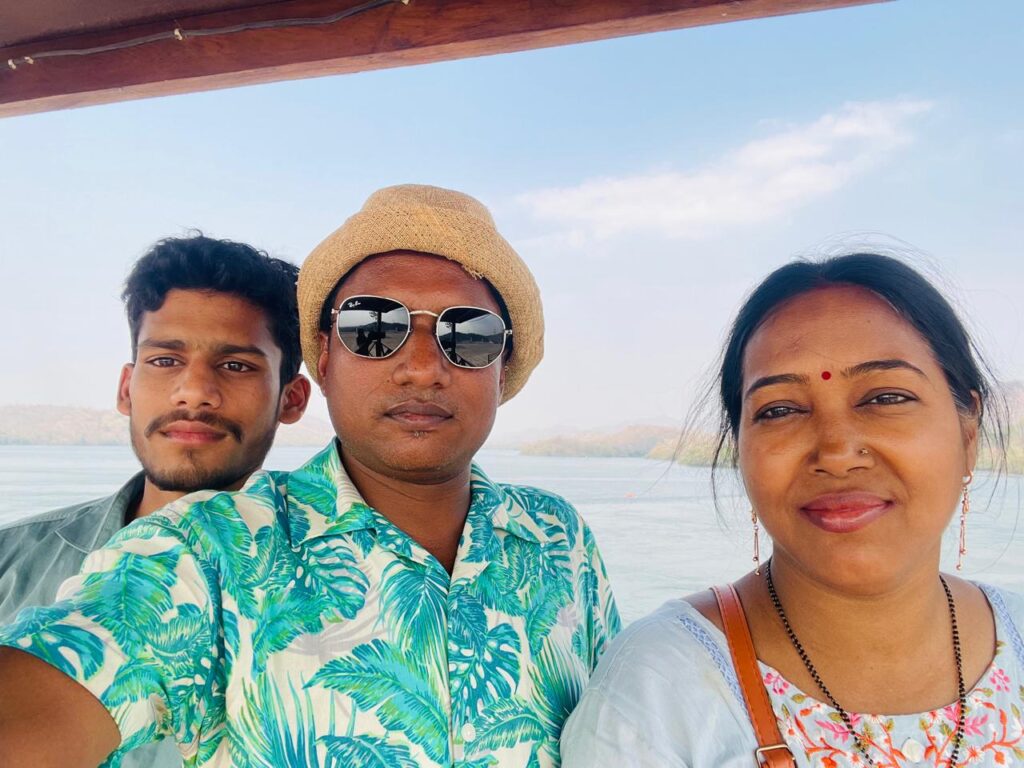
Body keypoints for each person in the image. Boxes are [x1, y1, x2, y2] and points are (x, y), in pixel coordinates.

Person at [0, 184, 620, 768]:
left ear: (501, 369)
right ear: (324, 355)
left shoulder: (558, 537)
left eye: (470, 334)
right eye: (373, 328)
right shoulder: (212, 548)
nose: (424, 368)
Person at [561, 253, 1024, 767]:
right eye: (781, 410)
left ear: (967, 433)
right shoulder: (658, 692)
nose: (836, 451)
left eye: (885, 397)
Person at [0, 234, 310, 767]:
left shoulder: (338, 596)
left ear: (291, 398)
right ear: (126, 387)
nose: (194, 391)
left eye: (236, 365)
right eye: (165, 360)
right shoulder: (11, 563)